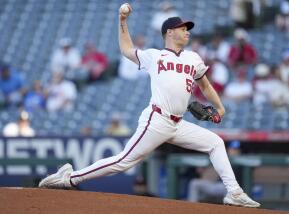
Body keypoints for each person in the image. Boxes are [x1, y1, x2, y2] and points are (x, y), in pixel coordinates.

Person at [38, 3, 260, 208]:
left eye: (187, 29)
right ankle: (70, 178)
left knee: (215, 143)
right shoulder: (156, 56)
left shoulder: (193, 58)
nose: (187, 32)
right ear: (169, 32)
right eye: (183, 28)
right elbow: (126, 49)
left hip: (178, 124)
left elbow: (206, 86)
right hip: (157, 119)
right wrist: (122, 21)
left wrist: (220, 108)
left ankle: (234, 192)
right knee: (124, 162)